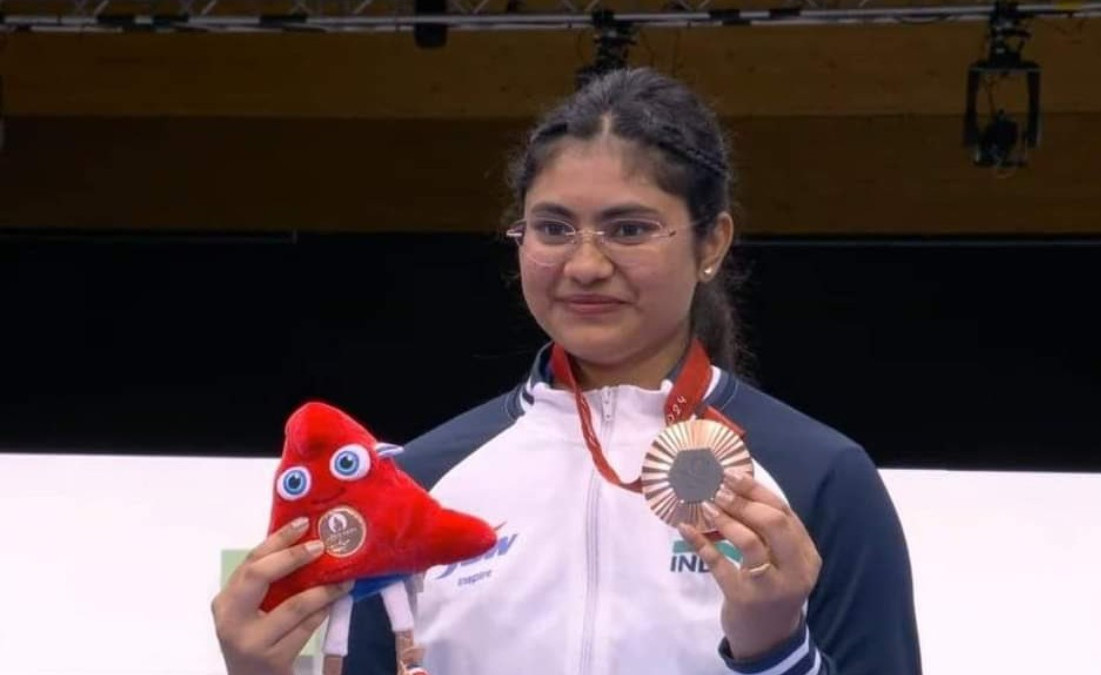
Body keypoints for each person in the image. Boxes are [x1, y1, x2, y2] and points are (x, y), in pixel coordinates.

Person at [211, 66, 922, 675]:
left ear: (712, 243)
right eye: (553, 228)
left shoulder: (819, 477)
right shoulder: (421, 481)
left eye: (629, 228)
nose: (584, 264)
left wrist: (775, 651)